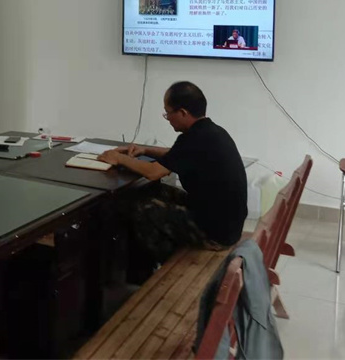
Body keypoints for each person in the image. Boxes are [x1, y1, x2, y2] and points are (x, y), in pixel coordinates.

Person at [98, 81, 247, 277]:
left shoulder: (193, 138)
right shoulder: (211, 131)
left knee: (142, 209)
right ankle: (136, 267)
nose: (167, 119)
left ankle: (162, 268)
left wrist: (119, 158)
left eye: (168, 113)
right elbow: (177, 154)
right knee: (154, 190)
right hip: (226, 223)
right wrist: (145, 149)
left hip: (215, 233)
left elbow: (153, 172)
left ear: (183, 112)